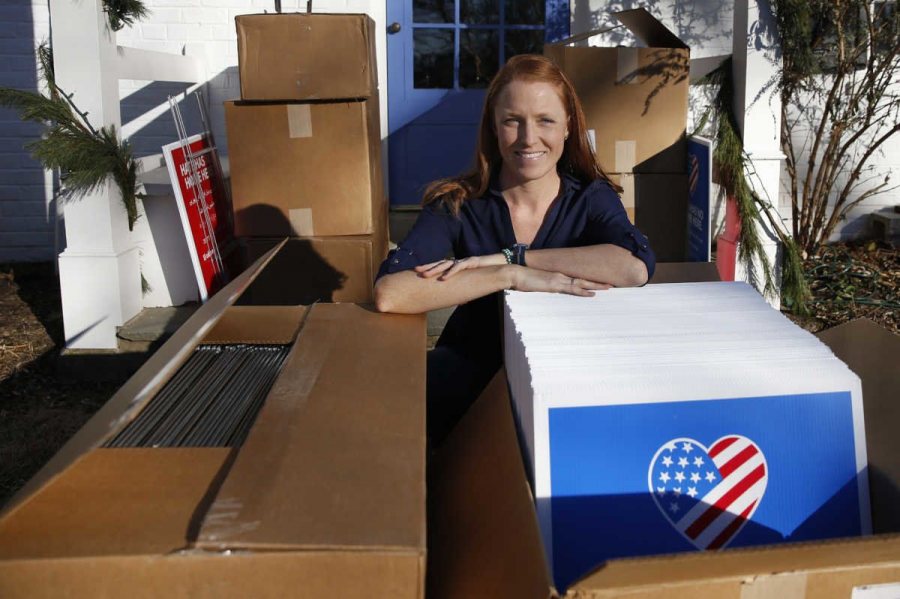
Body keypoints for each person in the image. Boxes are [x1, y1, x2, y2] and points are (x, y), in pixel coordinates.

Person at [375, 54, 656, 445]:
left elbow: (634, 269)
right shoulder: (457, 203)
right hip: (474, 368)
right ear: (493, 125)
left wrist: (517, 256)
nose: (528, 138)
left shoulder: (591, 199)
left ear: (568, 126)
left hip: (567, 374)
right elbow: (391, 293)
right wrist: (510, 276)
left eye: (545, 120)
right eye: (512, 121)